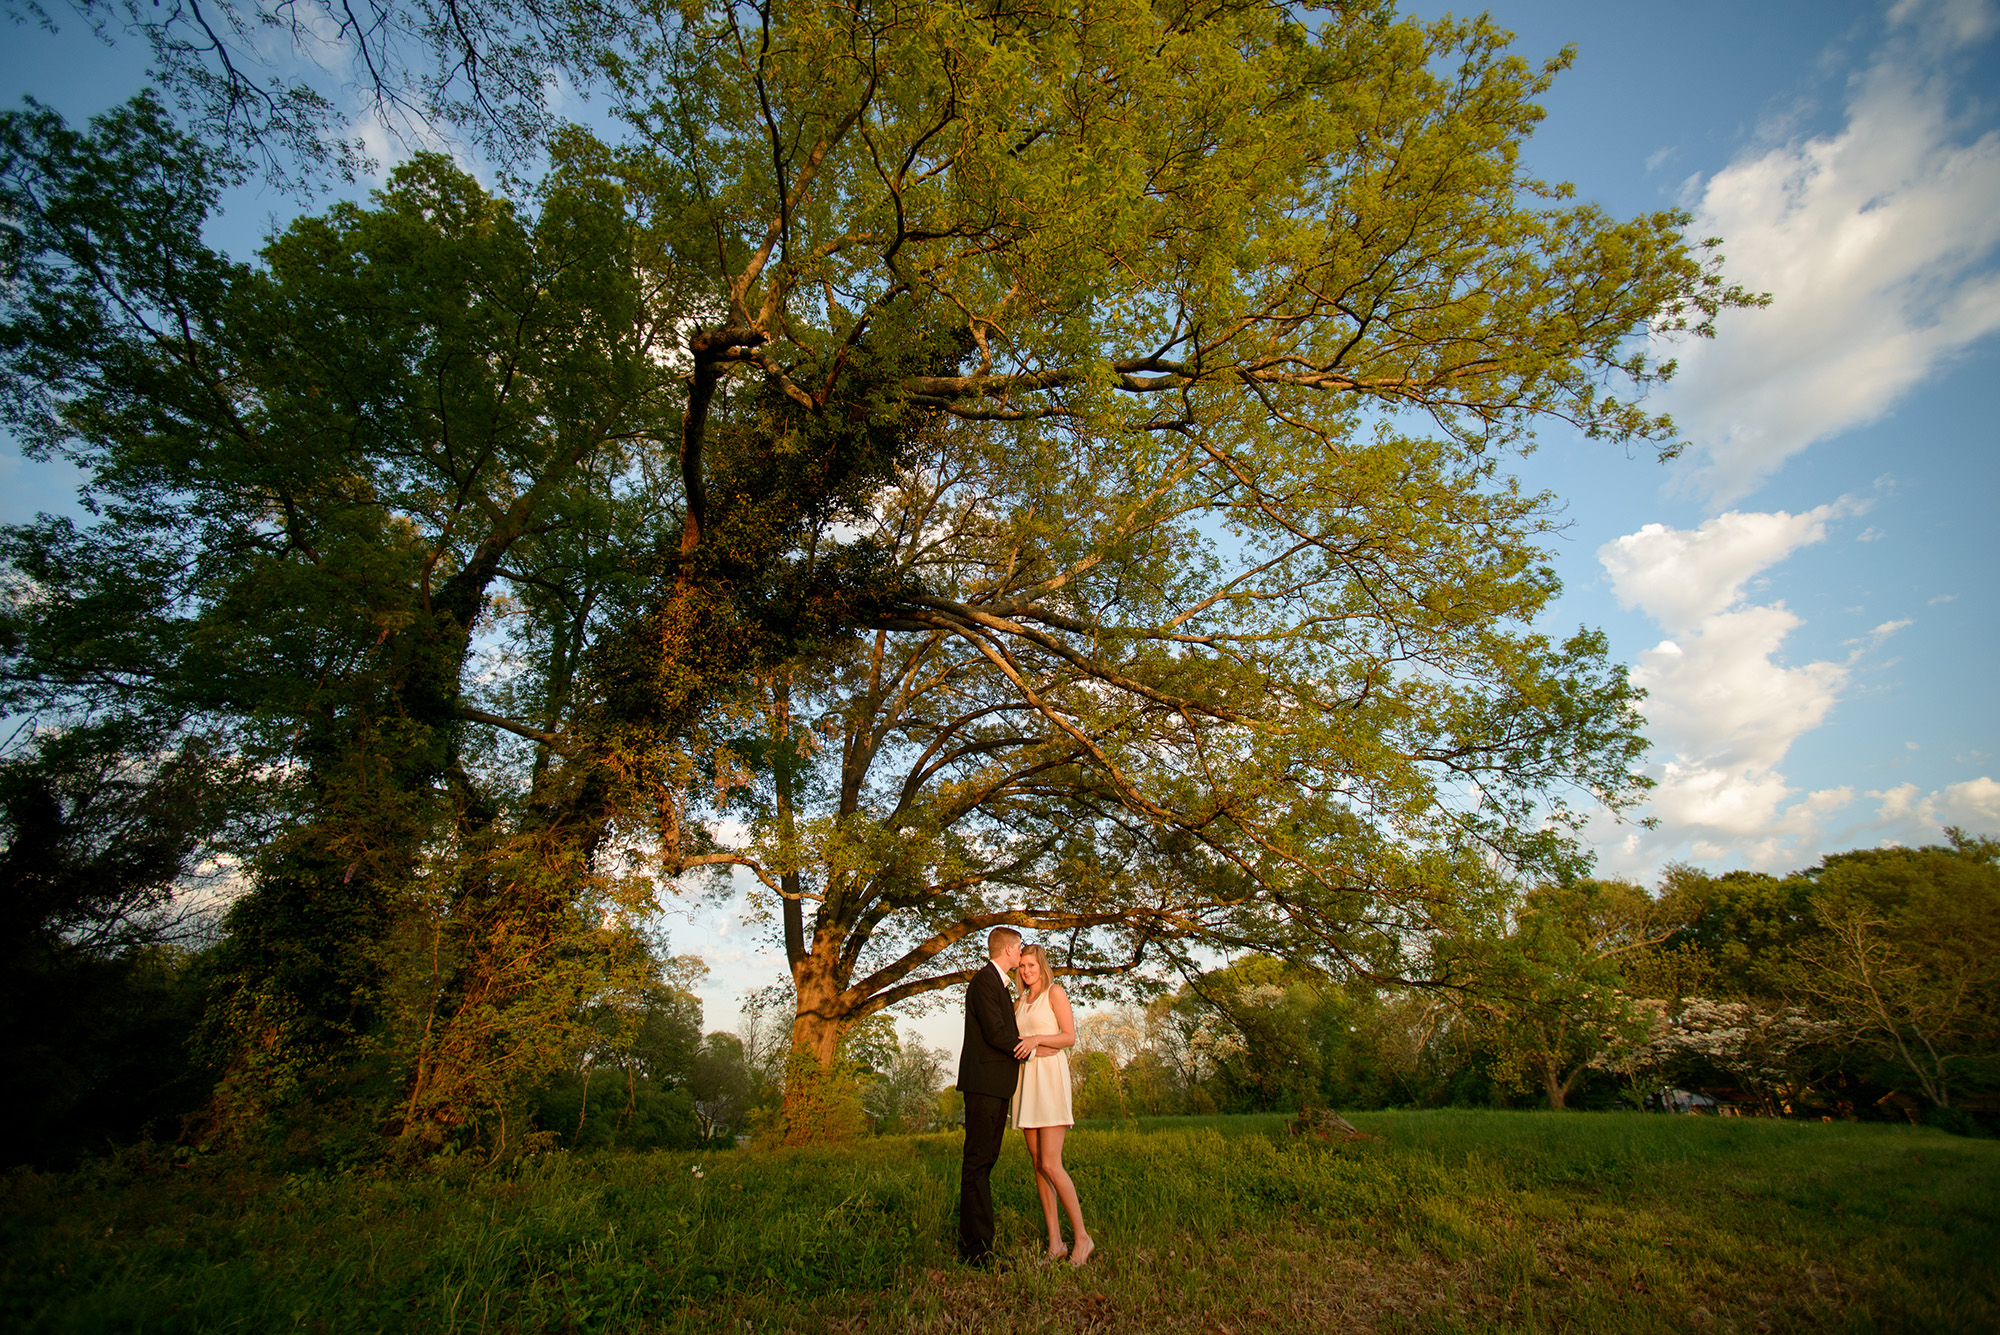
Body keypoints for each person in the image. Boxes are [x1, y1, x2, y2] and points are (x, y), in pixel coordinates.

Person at [1010, 943, 1094, 1266]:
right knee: (1036, 1162)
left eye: (1031, 965)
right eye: (1022, 967)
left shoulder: (1054, 993)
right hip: (1026, 1081)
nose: (1027, 971)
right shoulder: (1019, 1001)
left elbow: (1069, 1037)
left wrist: (1037, 1041)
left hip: (1050, 1080)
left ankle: (1083, 1239)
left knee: (1051, 1162)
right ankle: (1055, 1242)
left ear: (1041, 965)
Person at [955, 925, 1023, 1266]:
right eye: (1019, 948)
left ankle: (979, 1243)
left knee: (986, 1161)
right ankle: (976, 1250)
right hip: (983, 1084)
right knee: (977, 1162)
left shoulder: (1000, 984)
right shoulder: (984, 981)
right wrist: (1029, 1049)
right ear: (1008, 950)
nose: (1022, 954)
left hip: (996, 1085)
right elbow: (997, 1032)